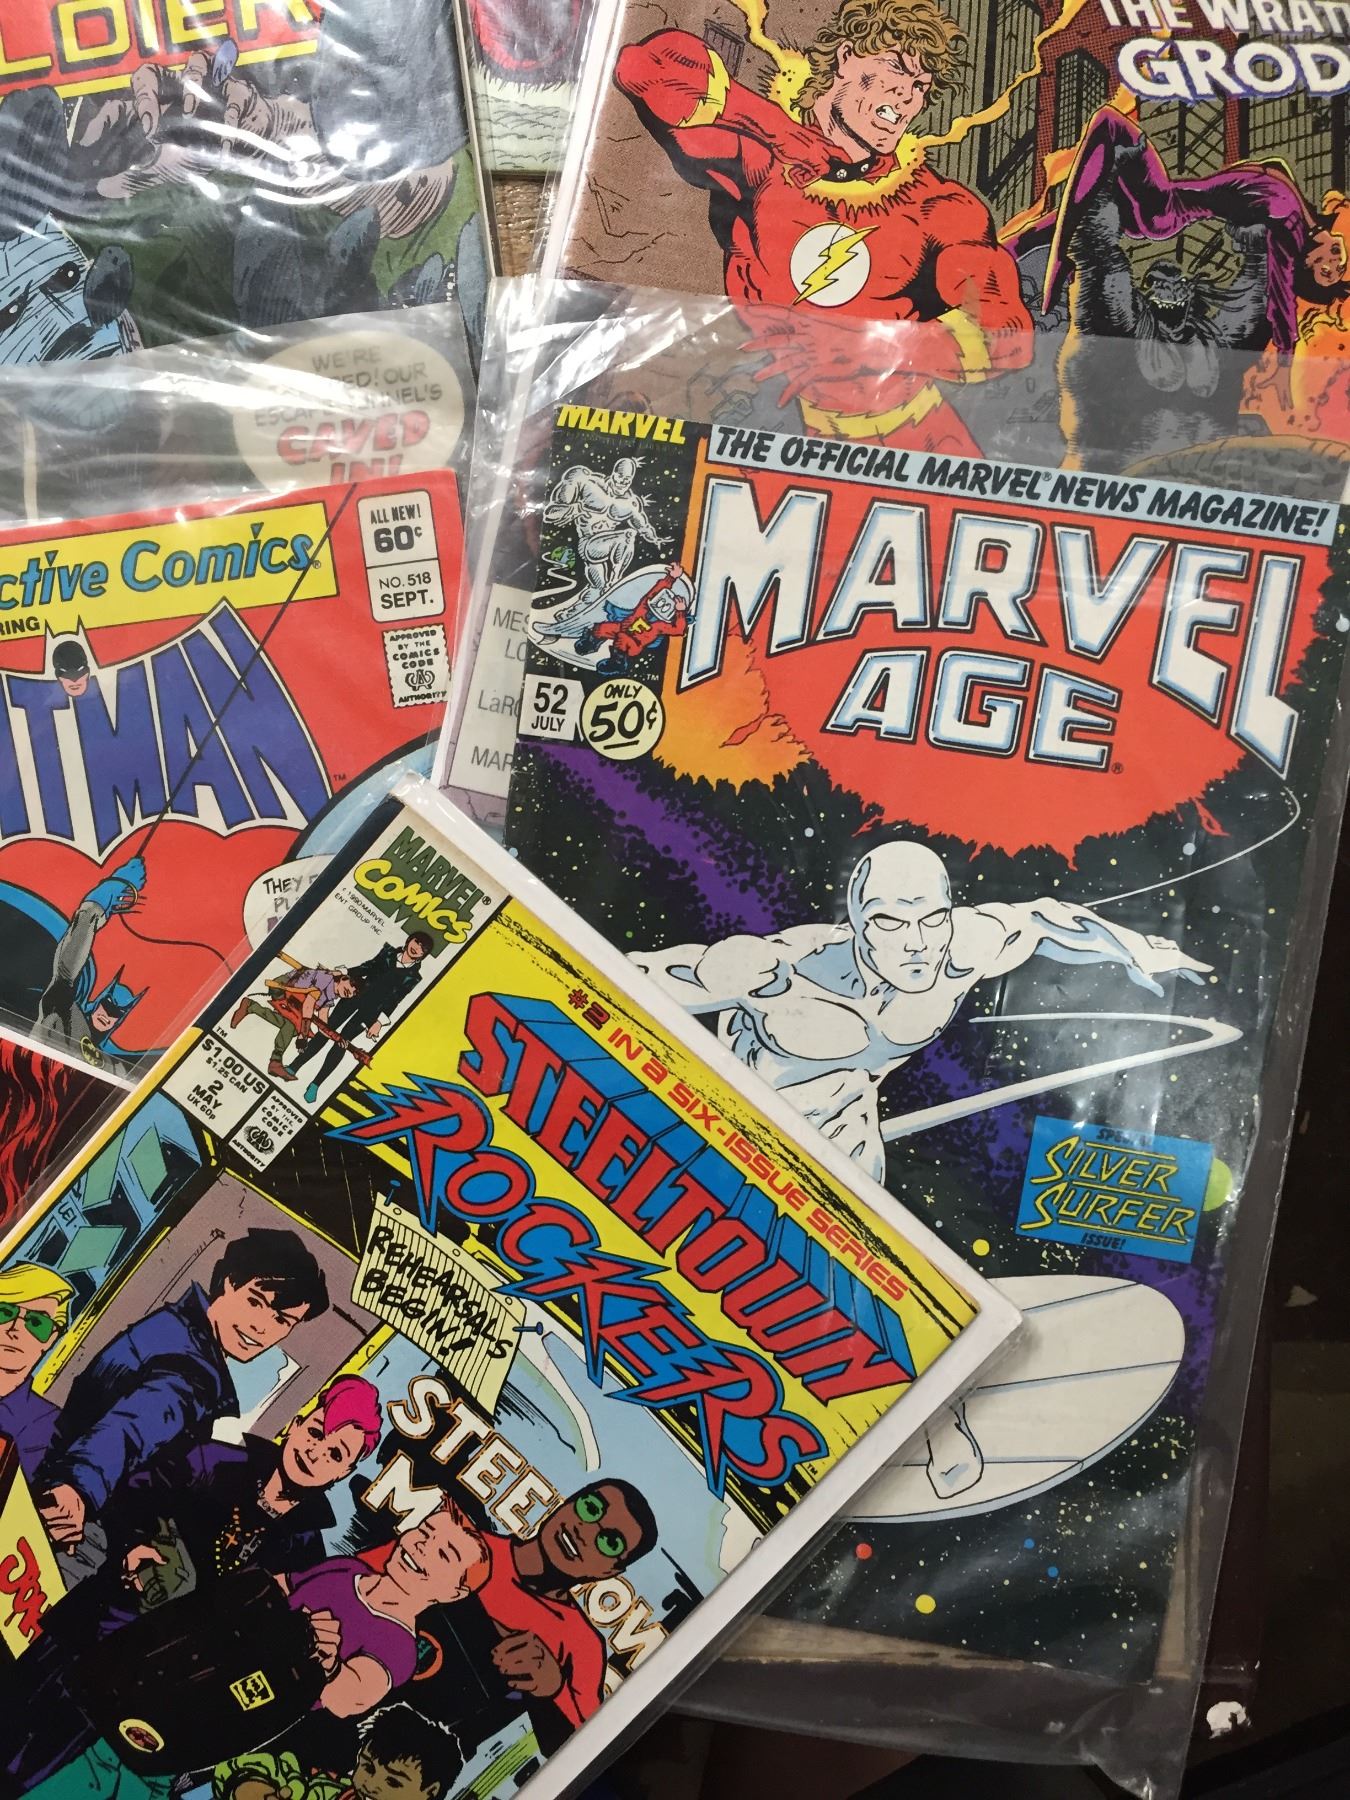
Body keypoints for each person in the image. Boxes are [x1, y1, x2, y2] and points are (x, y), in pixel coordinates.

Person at [632, 840, 1211, 1182]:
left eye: (931, 918)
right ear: (856, 922)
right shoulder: (780, 967)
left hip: (847, 1137)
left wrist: (1136, 948)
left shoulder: (962, 947)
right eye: (890, 923)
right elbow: (634, 978)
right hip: (726, 1132)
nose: (917, 943)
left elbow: (1045, 919)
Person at [613, 0, 1031, 451]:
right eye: (895, 68)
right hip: (782, 434)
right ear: (846, 58)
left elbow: (1009, 337)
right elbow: (643, 65)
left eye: (920, 86)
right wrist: (780, 130)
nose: (907, 96)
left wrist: (872, 347)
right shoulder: (759, 162)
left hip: (918, 441)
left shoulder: (935, 204)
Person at [36, 1227, 329, 1552]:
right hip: (69, 1512)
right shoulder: (195, 1372)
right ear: (228, 1282)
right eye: (254, 1302)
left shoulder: (176, 1326)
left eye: (282, 1321)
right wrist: (78, 1488)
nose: (260, 1327)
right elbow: (132, 1429)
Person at [475, 1480, 658, 1734]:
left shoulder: (583, 1645)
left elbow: (590, 1736)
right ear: (567, 1503)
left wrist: (553, 1688)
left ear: (609, 1571)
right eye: (590, 1508)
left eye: (609, 1542)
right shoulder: (467, 1545)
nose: (585, 1531)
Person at [283, 1496, 491, 1718]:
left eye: (443, 1554)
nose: (422, 1546)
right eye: (424, 1531)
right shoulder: (350, 1568)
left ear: (454, 1594)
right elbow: (283, 1585)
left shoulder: (400, 1649)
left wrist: (328, 1661)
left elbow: (347, 1699)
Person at [35, 856, 147, 1078]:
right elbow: (65, 971)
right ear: (98, 1001)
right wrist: (93, 909)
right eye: (108, 1005)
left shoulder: (114, 1067)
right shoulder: (66, 1014)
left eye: (117, 1013)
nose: (108, 1015)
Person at [293, 934, 432, 1102]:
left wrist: (379, 1022)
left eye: (423, 948)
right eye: (417, 942)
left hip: (371, 1012)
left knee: (342, 1043)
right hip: (354, 995)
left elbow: (396, 999)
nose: (417, 948)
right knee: (326, 1029)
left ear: (424, 955)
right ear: (409, 940)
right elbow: (366, 967)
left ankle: (315, 1085)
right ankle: (294, 1066)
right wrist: (343, 972)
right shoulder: (388, 952)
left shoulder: (414, 977)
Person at [0, 1264, 73, 1480]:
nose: (15, 1329)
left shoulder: (50, 1426)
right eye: (5, 1312)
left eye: (36, 1323)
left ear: (51, 1338)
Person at [231, 967, 360, 1083]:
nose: (349, 993)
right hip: (283, 987)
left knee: (290, 1027)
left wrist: (338, 1040)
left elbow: (323, 1026)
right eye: (348, 988)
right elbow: (308, 1006)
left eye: (351, 994)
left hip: (296, 1000)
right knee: (292, 1025)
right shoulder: (326, 979)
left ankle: (251, 1007)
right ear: (343, 979)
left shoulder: (330, 997)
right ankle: (275, 1062)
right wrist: (303, 1035)